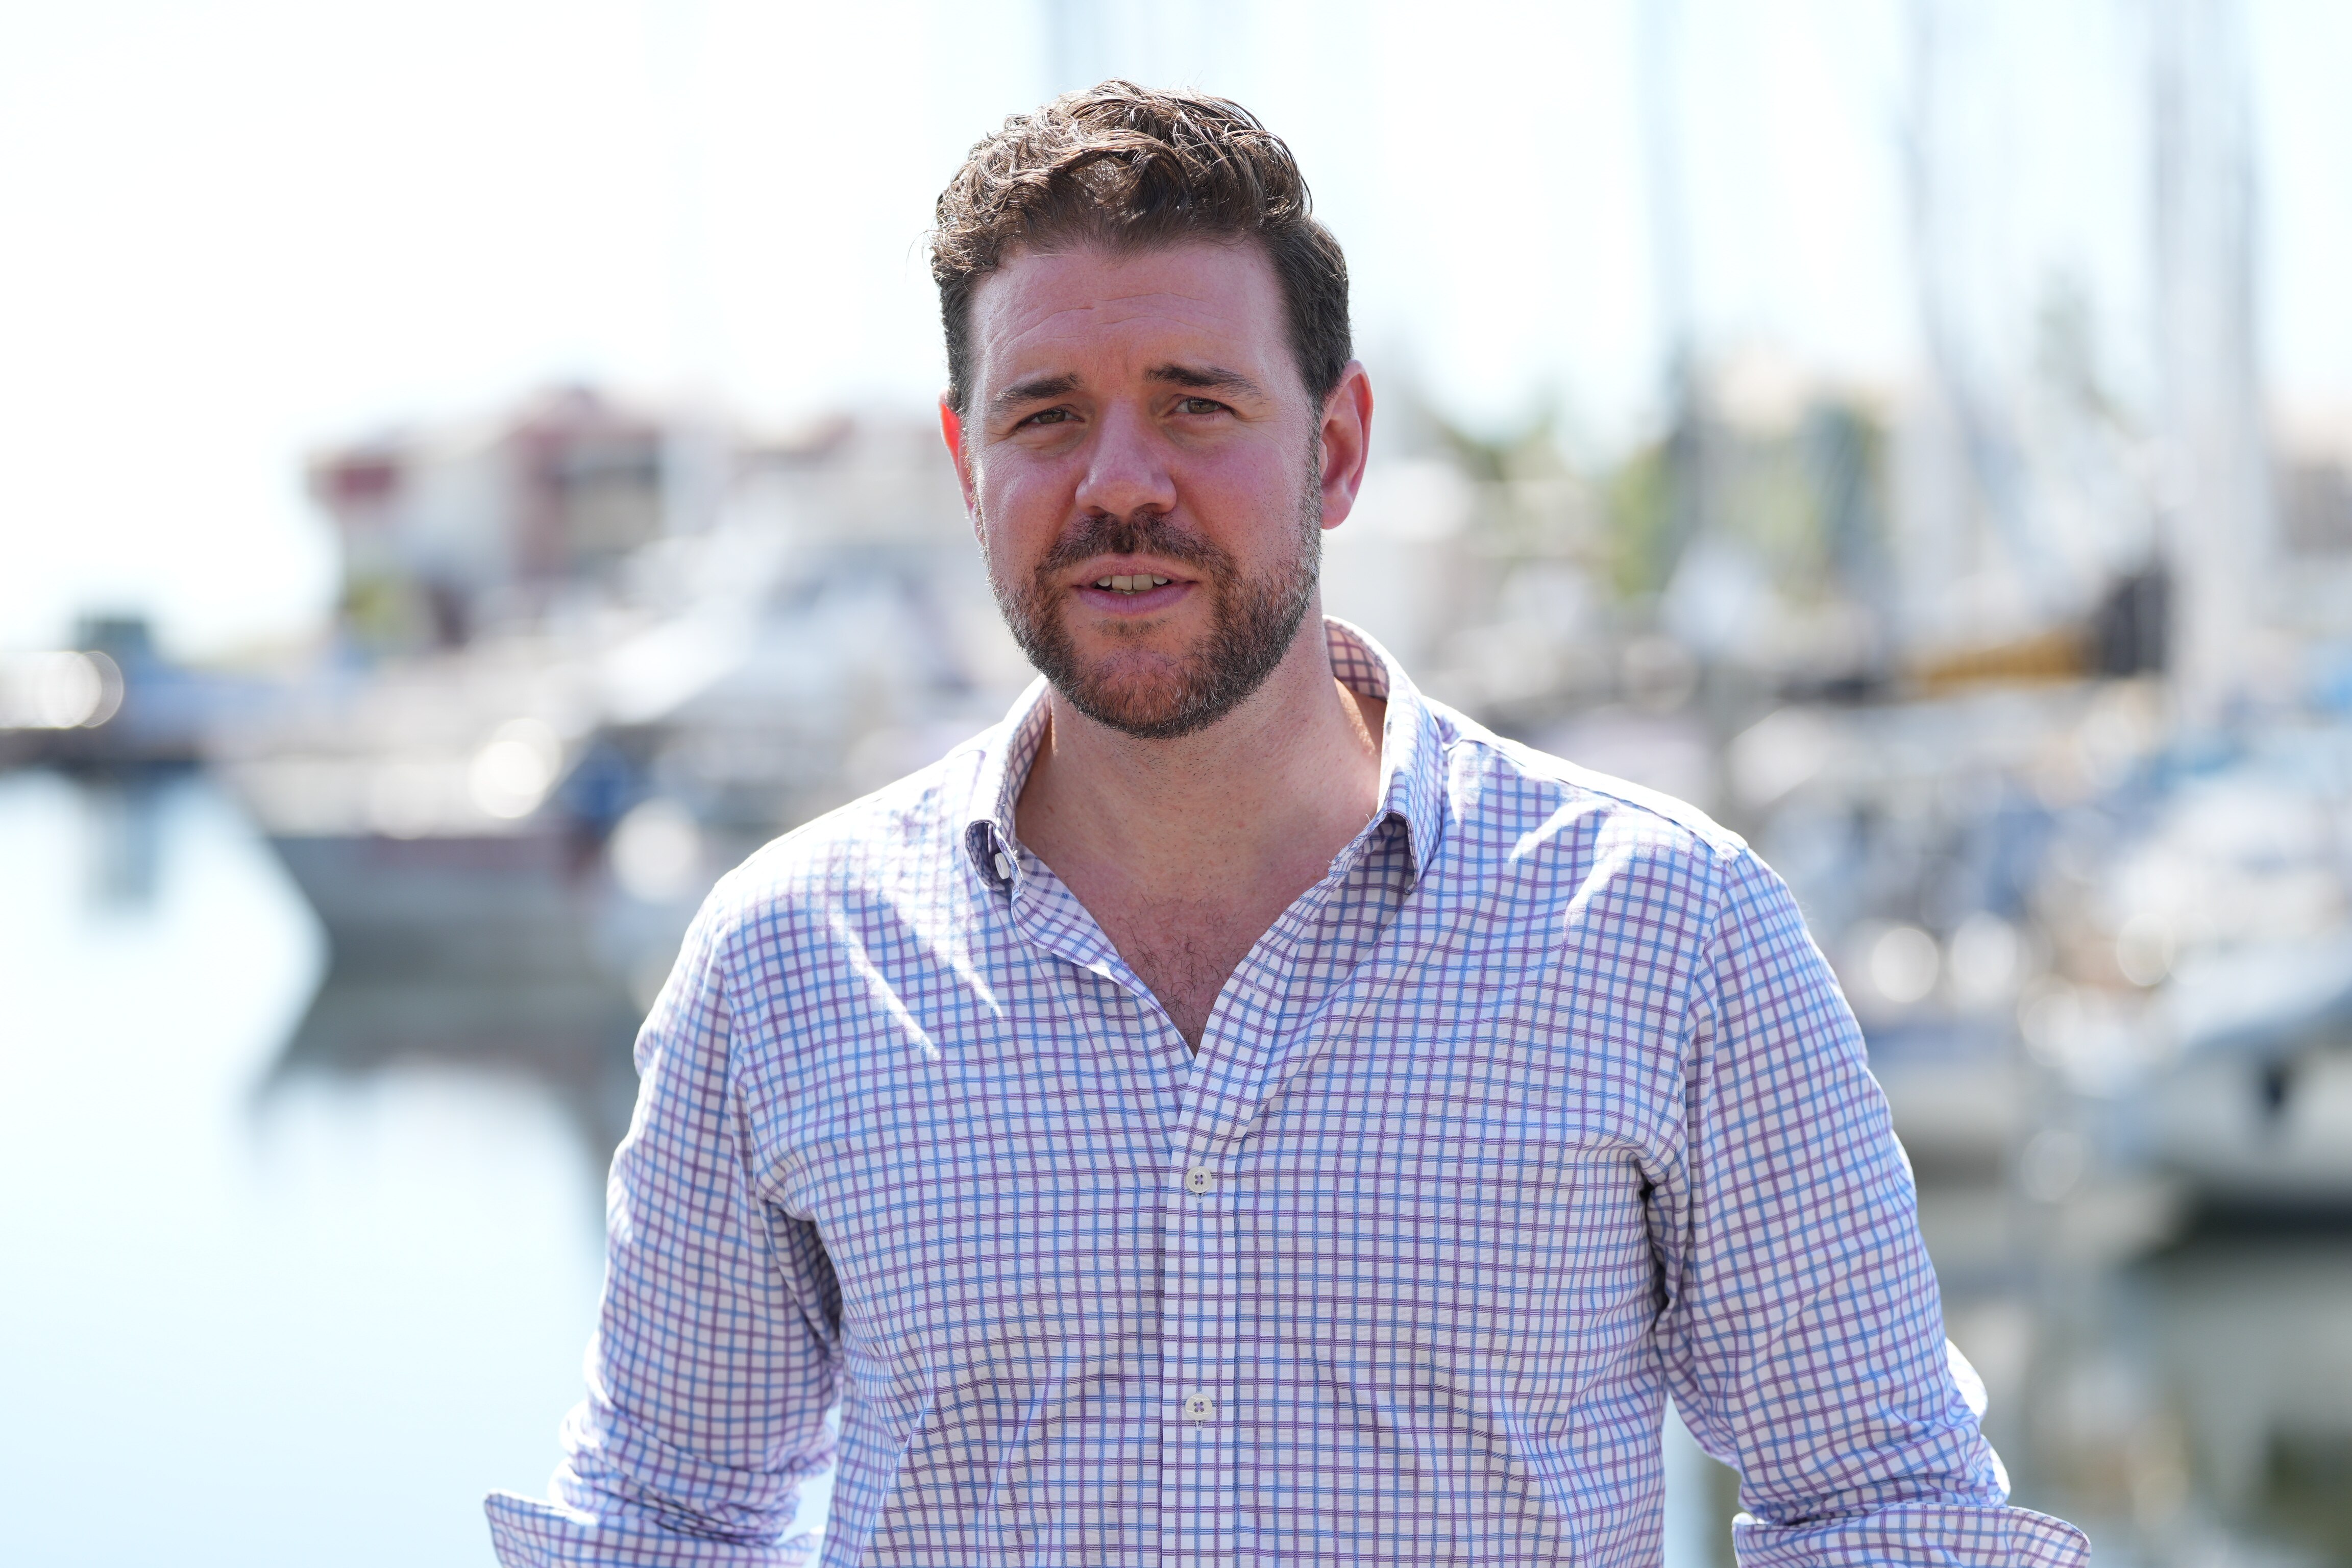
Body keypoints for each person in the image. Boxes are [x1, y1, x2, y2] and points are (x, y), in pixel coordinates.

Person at [486, 83, 2089, 1567]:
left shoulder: (1670, 933)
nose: (1122, 482)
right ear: (970, 463)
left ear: (1333, 449)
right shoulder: (786, 964)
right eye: (1047, 414)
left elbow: (1888, 1507)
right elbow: (657, 1520)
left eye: (1196, 405)